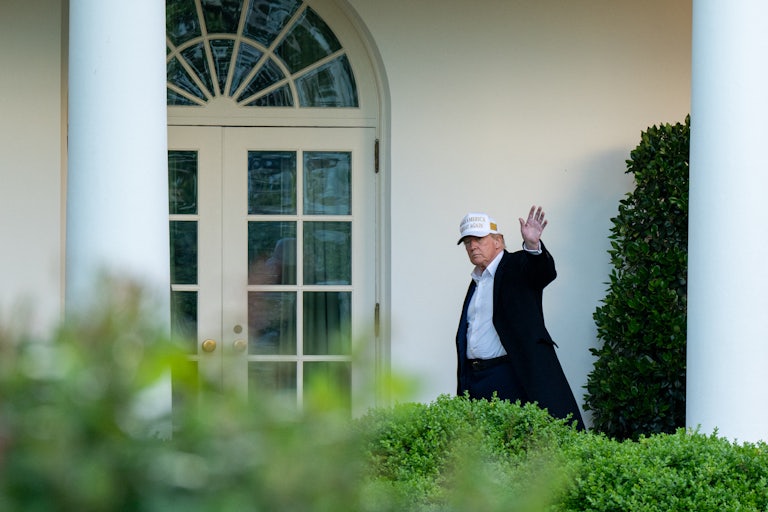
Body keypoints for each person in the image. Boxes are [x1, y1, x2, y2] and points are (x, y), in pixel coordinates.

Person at [455, 206, 584, 429]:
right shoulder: (477, 281)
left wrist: (533, 246)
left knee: (518, 445)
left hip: (509, 375)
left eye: (479, 239)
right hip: (476, 379)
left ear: (498, 241)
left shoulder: (516, 265)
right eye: (467, 242)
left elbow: (542, 272)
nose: (472, 246)